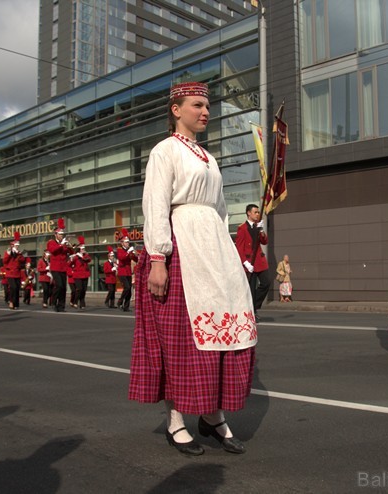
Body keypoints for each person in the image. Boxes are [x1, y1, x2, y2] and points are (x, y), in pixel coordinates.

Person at [129, 82, 257, 456]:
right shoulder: (164, 151)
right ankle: (175, 421)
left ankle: (212, 416)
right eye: (197, 105)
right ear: (176, 109)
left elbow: (219, 209)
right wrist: (157, 258)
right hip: (182, 245)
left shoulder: (207, 157)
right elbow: (155, 204)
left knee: (222, 331)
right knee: (182, 339)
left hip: (213, 248)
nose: (205, 111)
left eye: (207, 106)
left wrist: (229, 252)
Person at [235, 204, 270, 321]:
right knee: (250, 289)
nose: (257, 214)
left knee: (266, 282)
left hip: (259, 261)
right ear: (248, 213)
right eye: (255, 212)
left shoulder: (258, 226)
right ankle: (252, 313)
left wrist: (262, 230)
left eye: (258, 212)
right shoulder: (242, 228)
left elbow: (264, 242)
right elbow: (239, 248)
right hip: (249, 263)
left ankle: (254, 305)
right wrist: (245, 263)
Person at [47, 218, 73, 312]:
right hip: (55, 267)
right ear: (55, 235)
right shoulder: (51, 242)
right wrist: (61, 245)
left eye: (62, 235)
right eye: (60, 234)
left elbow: (71, 251)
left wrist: (69, 246)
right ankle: (53, 302)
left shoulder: (63, 243)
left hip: (63, 268)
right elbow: (53, 250)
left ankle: (61, 306)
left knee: (64, 288)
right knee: (59, 285)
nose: (62, 236)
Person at [116, 229, 138, 312]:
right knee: (127, 288)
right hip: (122, 272)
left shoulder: (129, 251)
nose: (128, 243)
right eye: (126, 242)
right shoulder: (119, 250)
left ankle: (126, 306)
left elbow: (135, 259)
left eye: (128, 242)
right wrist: (129, 252)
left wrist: (134, 254)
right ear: (122, 243)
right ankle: (120, 301)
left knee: (129, 291)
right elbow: (122, 258)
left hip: (128, 272)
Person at [3, 232, 26, 310]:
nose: (17, 247)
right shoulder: (8, 252)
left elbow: (23, 260)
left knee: (17, 288)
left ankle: (16, 303)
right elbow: (5, 261)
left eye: (18, 246)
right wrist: (10, 253)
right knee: (13, 287)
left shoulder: (19, 253)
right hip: (10, 273)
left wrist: (19, 254)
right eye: (16, 246)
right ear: (12, 246)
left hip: (17, 273)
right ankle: (11, 301)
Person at [70, 235, 91, 310]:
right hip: (78, 275)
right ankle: (75, 301)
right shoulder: (75, 257)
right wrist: (74, 257)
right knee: (79, 289)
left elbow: (89, 259)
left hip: (85, 275)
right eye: (82, 249)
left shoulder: (85, 255)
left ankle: (82, 303)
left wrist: (84, 255)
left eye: (84, 248)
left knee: (84, 290)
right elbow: (70, 264)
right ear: (79, 249)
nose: (83, 250)